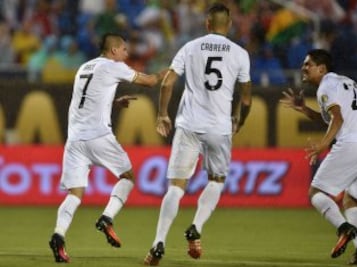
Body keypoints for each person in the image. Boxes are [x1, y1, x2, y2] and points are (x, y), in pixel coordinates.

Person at [143, 3, 252, 266]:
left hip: (189, 125)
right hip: (219, 127)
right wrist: (239, 119)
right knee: (216, 180)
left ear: (207, 24)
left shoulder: (190, 47)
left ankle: (158, 243)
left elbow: (168, 82)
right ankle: (196, 226)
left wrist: (162, 114)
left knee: (176, 187)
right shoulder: (240, 54)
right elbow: (246, 99)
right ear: (230, 24)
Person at [48, 32, 166, 263]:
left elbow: (84, 99)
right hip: (99, 137)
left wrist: (113, 102)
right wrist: (169, 71)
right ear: (113, 51)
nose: (126, 53)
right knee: (128, 177)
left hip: (74, 140)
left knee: (75, 195)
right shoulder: (114, 66)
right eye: (123, 49)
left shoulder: (84, 68)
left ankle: (58, 235)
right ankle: (107, 218)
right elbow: (151, 81)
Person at [280, 49, 357, 264]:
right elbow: (335, 117)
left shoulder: (326, 85)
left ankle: (344, 228)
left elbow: (338, 118)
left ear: (322, 69)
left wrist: (323, 145)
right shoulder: (346, 82)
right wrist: (304, 109)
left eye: (308, 64)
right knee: (352, 199)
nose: (303, 68)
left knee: (316, 193)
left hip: (352, 143)